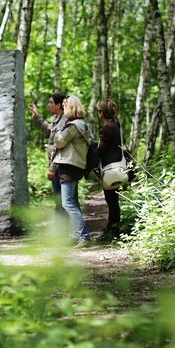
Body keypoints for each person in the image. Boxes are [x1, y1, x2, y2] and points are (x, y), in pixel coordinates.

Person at [53, 95, 92, 246]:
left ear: (70, 107)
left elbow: (59, 141)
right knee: (72, 202)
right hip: (76, 165)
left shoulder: (74, 126)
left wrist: (57, 131)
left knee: (67, 203)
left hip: (69, 166)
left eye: (64, 107)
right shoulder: (83, 124)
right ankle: (77, 235)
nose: (63, 110)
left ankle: (84, 235)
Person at [28, 93, 68, 218]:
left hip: (60, 166)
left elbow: (60, 148)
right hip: (56, 165)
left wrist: (52, 168)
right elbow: (49, 129)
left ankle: (65, 230)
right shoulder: (57, 119)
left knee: (63, 200)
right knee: (59, 199)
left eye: (51, 102)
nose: (48, 105)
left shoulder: (64, 121)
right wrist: (37, 116)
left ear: (59, 105)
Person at [96, 99, 123, 240]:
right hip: (115, 165)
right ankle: (112, 228)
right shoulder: (115, 123)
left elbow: (102, 149)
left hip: (110, 167)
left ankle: (112, 231)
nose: (97, 114)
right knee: (113, 200)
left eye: (98, 111)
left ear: (102, 112)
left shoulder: (108, 127)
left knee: (111, 200)